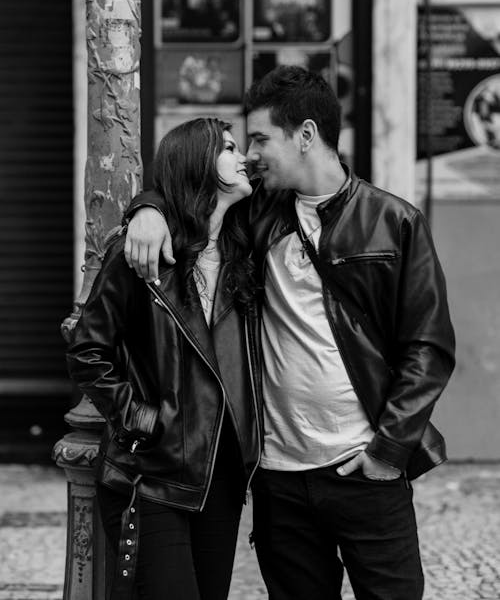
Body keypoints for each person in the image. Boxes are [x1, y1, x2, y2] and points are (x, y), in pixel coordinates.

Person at [124, 66, 456, 600]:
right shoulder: (254, 214)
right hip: (279, 479)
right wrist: (148, 208)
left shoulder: (394, 222)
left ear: (305, 134)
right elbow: (191, 195)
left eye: (259, 138)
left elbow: (429, 348)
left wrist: (388, 452)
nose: (249, 154)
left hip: (365, 468)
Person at [66, 118, 262, 600]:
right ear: (198, 162)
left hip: (222, 473)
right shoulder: (144, 254)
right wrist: (139, 418)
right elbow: (88, 348)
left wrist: (145, 205)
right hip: (151, 474)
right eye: (231, 148)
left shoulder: (245, 249)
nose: (245, 158)